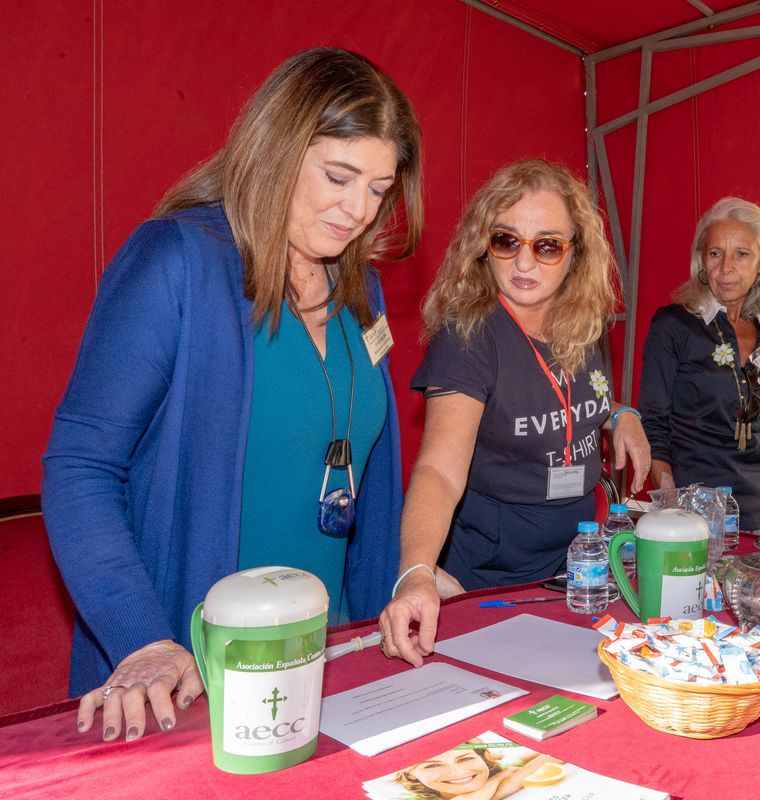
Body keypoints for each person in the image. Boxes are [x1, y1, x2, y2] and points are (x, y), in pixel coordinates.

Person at [41, 47, 424, 741]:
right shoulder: (177, 259)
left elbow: (362, 466)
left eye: (377, 188)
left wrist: (402, 584)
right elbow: (80, 465)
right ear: (277, 150)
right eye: (338, 177)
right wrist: (142, 641)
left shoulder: (358, 286)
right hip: (185, 667)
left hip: (328, 657)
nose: (358, 211)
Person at [379, 159, 650, 666]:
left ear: (576, 255)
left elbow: (568, 399)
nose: (525, 263)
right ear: (484, 245)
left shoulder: (582, 323)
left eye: (547, 245)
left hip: (573, 566)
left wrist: (621, 414)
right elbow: (439, 469)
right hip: (490, 578)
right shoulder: (470, 338)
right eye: (508, 241)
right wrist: (416, 571)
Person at [638, 197, 760, 531]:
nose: (726, 268)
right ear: (701, 262)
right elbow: (654, 422)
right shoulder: (674, 326)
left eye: (742, 254)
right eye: (715, 253)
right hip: (695, 515)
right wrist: (669, 502)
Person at [394, 741, 562, 799]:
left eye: (465, 758)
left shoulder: (499, 768)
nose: (458, 772)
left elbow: (555, 752)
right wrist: (502, 783)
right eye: (432, 765)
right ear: (410, 773)